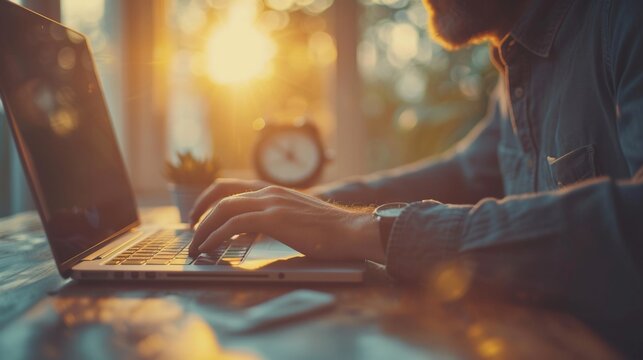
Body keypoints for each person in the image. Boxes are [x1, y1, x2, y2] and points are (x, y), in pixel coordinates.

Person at [189, 0, 643, 351]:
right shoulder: (518, 60)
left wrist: (360, 228)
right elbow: (467, 173)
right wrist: (296, 204)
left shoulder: (623, 20)